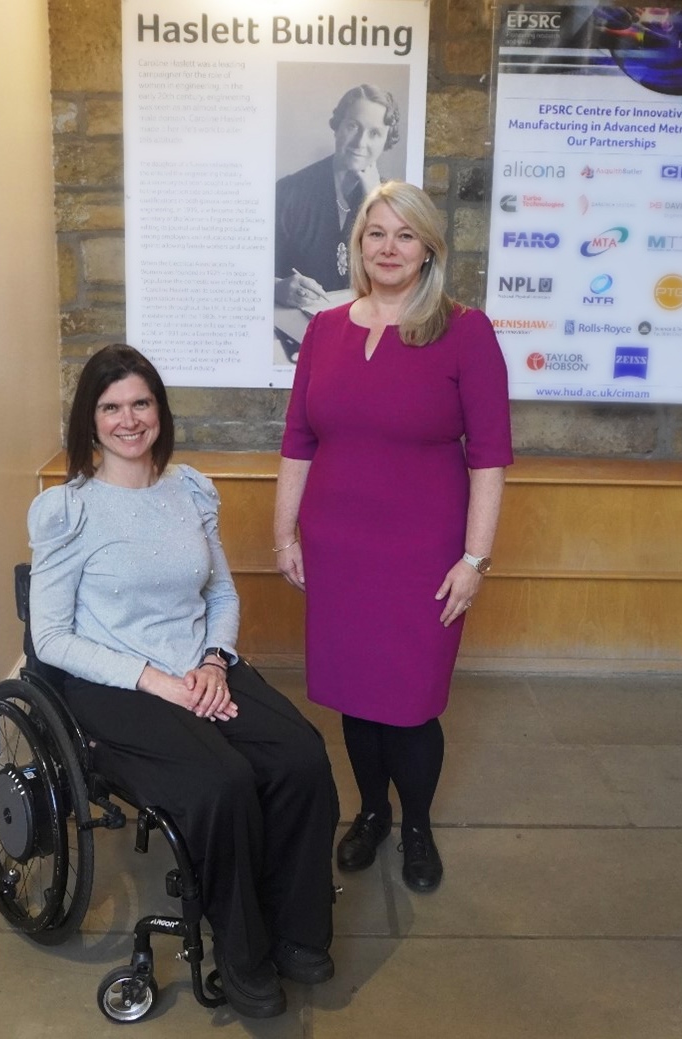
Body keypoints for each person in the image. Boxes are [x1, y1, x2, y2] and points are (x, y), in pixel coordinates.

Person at [28, 344, 339, 1019]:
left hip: (198, 663)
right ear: (90, 419)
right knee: (220, 782)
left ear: (160, 413)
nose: (128, 419)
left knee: (302, 758)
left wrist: (211, 660)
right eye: (111, 407)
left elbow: (221, 594)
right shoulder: (68, 511)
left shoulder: (189, 489)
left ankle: (297, 931)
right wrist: (155, 680)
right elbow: (51, 637)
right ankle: (242, 951)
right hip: (113, 682)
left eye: (141, 402)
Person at [274, 181, 513, 894]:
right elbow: (297, 438)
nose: (387, 247)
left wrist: (474, 558)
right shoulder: (324, 329)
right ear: (357, 245)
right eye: (374, 233)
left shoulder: (464, 330)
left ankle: (415, 825)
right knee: (355, 696)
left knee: (410, 704)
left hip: (424, 556)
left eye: (403, 234)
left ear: (428, 246)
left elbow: (490, 453)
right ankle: (371, 812)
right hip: (337, 547)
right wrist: (284, 529)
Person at [274, 83, 401, 311]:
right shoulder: (288, 192)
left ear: (386, 141)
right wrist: (277, 287)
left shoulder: (395, 202)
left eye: (374, 133)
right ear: (337, 127)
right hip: (295, 330)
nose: (360, 143)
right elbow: (252, 270)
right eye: (353, 126)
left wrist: (376, 200)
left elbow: (402, 278)